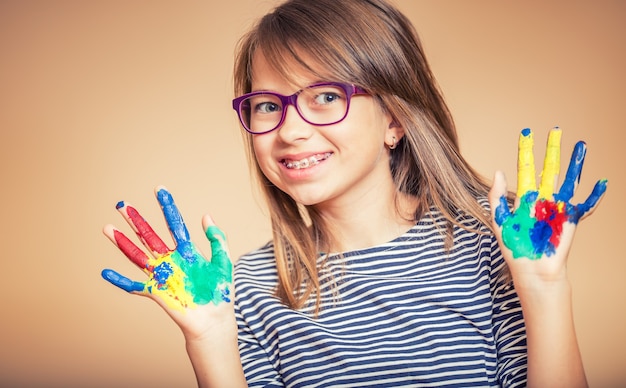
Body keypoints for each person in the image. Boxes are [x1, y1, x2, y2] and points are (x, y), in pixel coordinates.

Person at [101, 0, 607, 387]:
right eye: (266, 105)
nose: (291, 130)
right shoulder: (246, 288)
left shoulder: (491, 250)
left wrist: (543, 290)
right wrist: (209, 338)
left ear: (394, 118)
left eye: (325, 97)